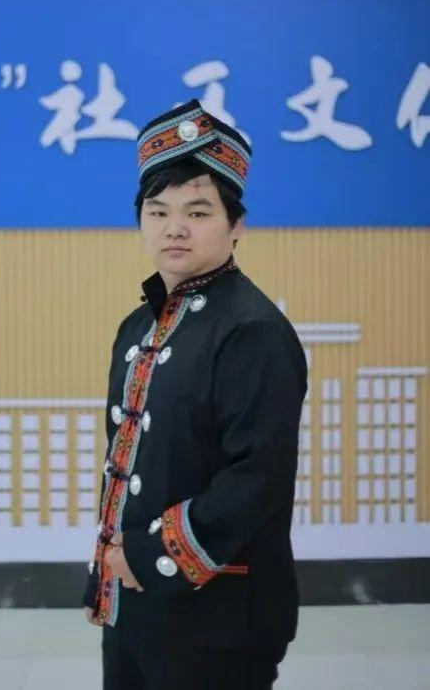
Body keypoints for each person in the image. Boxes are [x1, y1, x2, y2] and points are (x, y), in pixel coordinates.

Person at [82, 98, 308, 690]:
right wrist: (108, 575)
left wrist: (148, 556)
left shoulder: (253, 331)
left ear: (237, 225)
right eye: (157, 211)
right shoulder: (140, 326)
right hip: (139, 608)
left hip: (219, 617)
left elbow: (255, 479)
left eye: (198, 211)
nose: (174, 228)